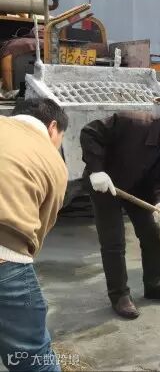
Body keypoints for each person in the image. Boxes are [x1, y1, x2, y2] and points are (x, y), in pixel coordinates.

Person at [80, 101, 160, 319]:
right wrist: (96, 169)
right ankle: (119, 295)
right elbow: (90, 132)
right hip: (105, 185)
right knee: (113, 242)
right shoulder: (131, 123)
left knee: (152, 234)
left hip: (138, 189)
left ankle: (154, 285)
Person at [0, 98, 69, 372]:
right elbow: (38, 229)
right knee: (33, 360)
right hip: (4, 259)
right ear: (52, 127)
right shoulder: (53, 161)